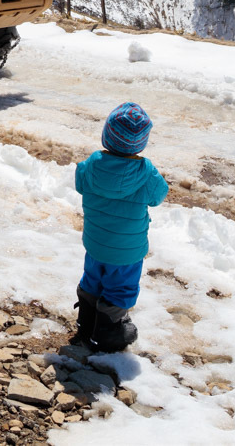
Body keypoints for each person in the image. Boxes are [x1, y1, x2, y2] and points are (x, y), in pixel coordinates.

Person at [71, 102, 169, 352]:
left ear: (106, 136)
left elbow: (81, 184)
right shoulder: (146, 173)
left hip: (95, 242)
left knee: (92, 279)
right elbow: (159, 196)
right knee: (120, 287)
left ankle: (86, 323)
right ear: (141, 143)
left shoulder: (90, 165)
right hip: (127, 250)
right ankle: (110, 333)